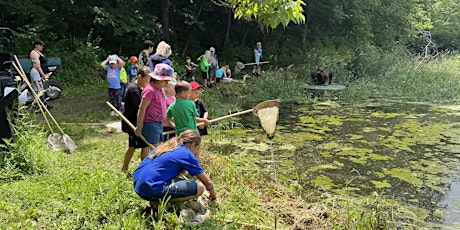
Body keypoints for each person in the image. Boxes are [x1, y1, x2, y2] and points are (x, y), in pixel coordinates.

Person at [133, 129, 218, 212]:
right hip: (150, 188)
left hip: (138, 185)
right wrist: (213, 195)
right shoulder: (185, 153)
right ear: (192, 145)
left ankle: (156, 199)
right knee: (199, 188)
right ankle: (160, 202)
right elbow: (208, 182)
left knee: (179, 180)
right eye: (198, 148)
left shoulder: (167, 146)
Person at [121, 66, 151, 172]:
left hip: (137, 122)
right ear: (139, 77)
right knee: (143, 145)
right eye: (146, 80)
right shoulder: (133, 89)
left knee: (134, 146)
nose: (148, 83)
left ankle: (125, 168)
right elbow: (138, 107)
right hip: (132, 122)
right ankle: (144, 170)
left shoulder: (139, 87)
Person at [135, 63, 173, 147]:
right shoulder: (150, 90)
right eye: (165, 80)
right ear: (157, 79)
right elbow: (142, 109)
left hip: (159, 123)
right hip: (150, 123)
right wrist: (139, 126)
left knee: (160, 146)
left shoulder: (161, 88)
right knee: (156, 149)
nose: (167, 82)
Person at [29, 39, 53, 109]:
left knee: (41, 89)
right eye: (41, 45)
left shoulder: (38, 52)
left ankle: (44, 105)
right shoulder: (34, 53)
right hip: (38, 72)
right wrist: (43, 75)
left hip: (40, 72)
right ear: (36, 45)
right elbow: (37, 65)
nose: (42, 47)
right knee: (38, 89)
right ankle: (39, 106)